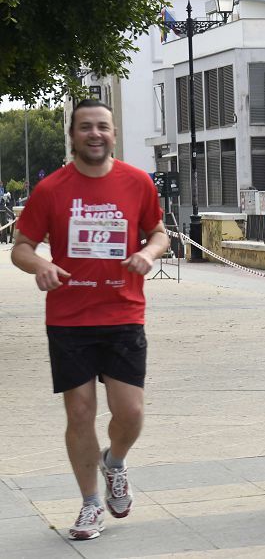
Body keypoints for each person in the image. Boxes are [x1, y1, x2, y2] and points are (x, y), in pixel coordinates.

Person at [11, 99, 169, 540]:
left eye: (102, 126)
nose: (94, 134)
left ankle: (114, 462)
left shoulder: (137, 182)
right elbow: (21, 245)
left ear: (114, 133)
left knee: (131, 412)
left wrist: (147, 252)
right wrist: (38, 265)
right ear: (73, 135)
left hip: (123, 311)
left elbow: (159, 232)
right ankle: (89, 504)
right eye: (85, 127)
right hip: (69, 317)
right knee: (79, 413)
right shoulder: (52, 189)